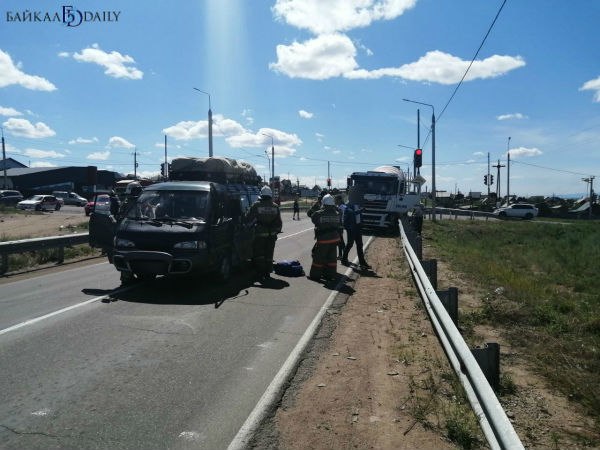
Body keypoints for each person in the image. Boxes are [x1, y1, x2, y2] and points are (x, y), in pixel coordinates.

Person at [246, 186, 282, 279]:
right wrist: (276, 231)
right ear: (270, 195)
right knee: (269, 254)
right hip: (272, 235)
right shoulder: (275, 206)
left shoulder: (256, 205)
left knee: (259, 254)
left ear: (261, 195)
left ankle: (260, 272)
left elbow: (248, 218)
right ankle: (268, 271)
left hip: (260, 234)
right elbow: (279, 222)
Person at [309, 194, 341, 281]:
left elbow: (313, 218)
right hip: (335, 239)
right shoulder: (337, 213)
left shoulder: (319, 213)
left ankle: (315, 276)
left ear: (323, 203)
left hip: (324, 240)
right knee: (331, 258)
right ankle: (330, 275)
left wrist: (317, 207)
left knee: (318, 258)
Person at [341, 188, 371, 269]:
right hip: (351, 228)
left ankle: (362, 262)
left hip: (357, 227)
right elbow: (353, 213)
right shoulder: (348, 204)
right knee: (350, 244)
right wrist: (361, 210)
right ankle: (344, 260)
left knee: (359, 245)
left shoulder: (357, 203)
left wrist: (362, 223)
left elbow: (359, 216)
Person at [334, 194, 346, 259]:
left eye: (335, 200)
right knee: (340, 241)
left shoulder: (342, 207)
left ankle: (344, 255)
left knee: (340, 241)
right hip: (339, 226)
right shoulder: (340, 207)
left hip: (340, 226)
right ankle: (341, 255)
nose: (334, 201)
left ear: (339, 200)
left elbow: (341, 218)